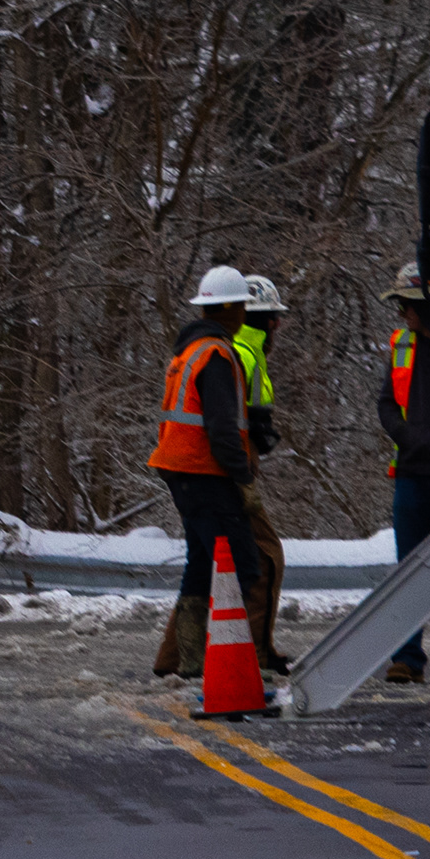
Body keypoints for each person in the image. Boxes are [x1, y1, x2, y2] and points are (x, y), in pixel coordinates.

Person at [147, 264, 260, 682]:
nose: (246, 313)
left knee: (201, 563)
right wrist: (242, 478)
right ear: (231, 309)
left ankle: (193, 661)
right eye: (243, 306)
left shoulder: (188, 351)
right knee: (240, 566)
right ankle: (226, 664)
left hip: (182, 471)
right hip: (205, 472)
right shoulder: (215, 354)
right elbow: (221, 428)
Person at [376, 257, 430, 685]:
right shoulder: (400, 344)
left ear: (425, 305)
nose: (401, 313)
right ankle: (406, 659)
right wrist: (406, 435)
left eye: (405, 304)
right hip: (411, 474)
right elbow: (386, 402)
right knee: (407, 570)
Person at [233, 272, 292, 673]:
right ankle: (255, 652)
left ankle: (177, 659)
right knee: (266, 557)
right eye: (273, 317)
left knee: (208, 563)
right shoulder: (243, 353)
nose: (277, 325)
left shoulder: (246, 353)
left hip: (233, 465)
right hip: (234, 469)